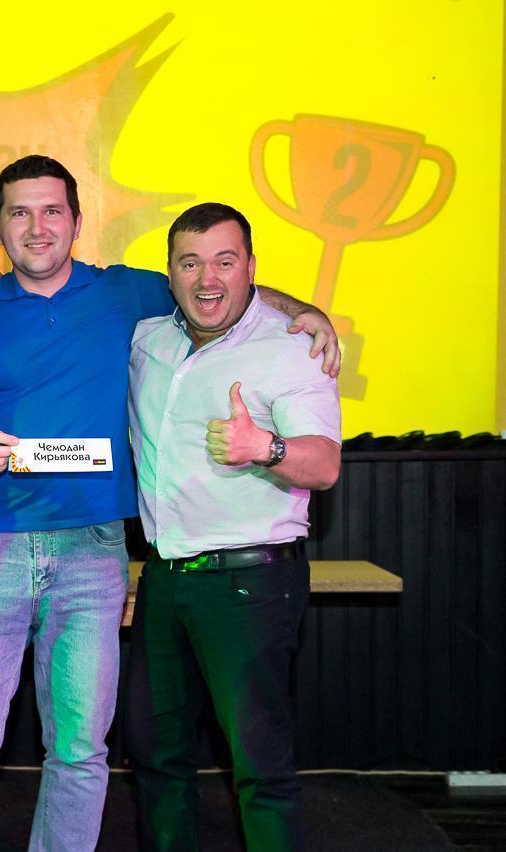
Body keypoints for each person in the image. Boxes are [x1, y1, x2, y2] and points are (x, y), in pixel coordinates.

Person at [0, 158, 340, 851]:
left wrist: (307, 311)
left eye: (52, 211)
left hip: (92, 550)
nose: (37, 227)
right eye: (19, 213)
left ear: (77, 221)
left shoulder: (129, 294)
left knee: (81, 750)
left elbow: (217, 286)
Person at [124, 202, 340, 851]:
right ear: (170, 273)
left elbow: (324, 465)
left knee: (260, 769)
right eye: (190, 263)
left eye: (225, 261)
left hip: (250, 586)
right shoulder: (146, 340)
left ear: (251, 268)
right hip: (164, 581)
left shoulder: (291, 348)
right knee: (157, 758)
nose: (207, 278)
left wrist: (263, 448)